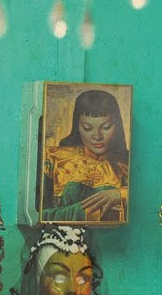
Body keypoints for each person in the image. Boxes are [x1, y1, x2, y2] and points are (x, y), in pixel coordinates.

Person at [41, 89, 130, 222]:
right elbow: (39, 215)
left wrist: (122, 194)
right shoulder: (53, 159)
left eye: (106, 127)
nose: (97, 136)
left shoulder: (128, 164)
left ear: (117, 126)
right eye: (88, 128)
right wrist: (88, 212)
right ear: (77, 127)